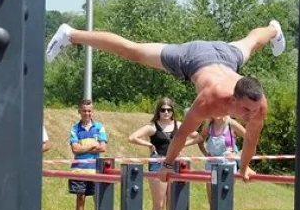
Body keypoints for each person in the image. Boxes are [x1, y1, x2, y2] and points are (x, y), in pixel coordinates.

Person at [46, 21, 286, 181]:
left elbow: (252, 138)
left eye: (254, 110)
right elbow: (181, 135)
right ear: (234, 99)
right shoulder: (209, 100)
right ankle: (70, 34)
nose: (250, 115)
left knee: (253, 41)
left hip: (226, 56)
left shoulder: (257, 103)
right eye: (246, 110)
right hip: (191, 58)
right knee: (133, 51)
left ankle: (274, 29)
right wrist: (168, 165)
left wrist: (244, 168)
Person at [128, 98, 180, 210]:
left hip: (174, 163)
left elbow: (197, 136)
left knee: (172, 205)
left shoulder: (178, 125)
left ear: (173, 111)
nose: (166, 113)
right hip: (157, 163)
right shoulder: (152, 126)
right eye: (163, 110)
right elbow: (132, 137)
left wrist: (183, 144)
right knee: (159, 204)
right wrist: (149, 145)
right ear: (158, 111)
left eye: (169, 110)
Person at [197, 115, 246, 210]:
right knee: (213, 205)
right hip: (211, 167)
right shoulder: (209, 124)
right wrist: (206, 153)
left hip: (227, 168)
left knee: (226, 204)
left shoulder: (231, 124)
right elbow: (200, 140)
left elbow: (250, 139)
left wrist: (237, 155)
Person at [67, 99, 108, 210]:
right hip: (79, 170)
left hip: (95, 170)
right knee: (80, 200)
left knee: (99, 201)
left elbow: (103, 147)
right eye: (84, 111)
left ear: (93, 111)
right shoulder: (74, 129)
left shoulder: (99, 127)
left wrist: (83, 147)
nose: (87, 113)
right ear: (79, 111)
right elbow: (75, 149)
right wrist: (92, 146)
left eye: (89, 111)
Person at [40, 125, 58, 210]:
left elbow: (47, 144)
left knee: (35, 209)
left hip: (30, 168)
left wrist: (29, 151)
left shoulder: (36, 123)